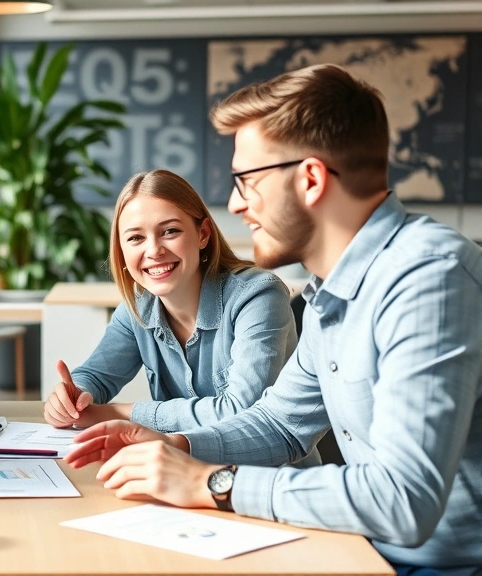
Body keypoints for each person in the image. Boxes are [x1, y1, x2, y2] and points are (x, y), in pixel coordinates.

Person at [65, 64, 482, 575]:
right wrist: (175, 447)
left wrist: (208, 481)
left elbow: (402, 500)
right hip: (363, 550)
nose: (236, 204)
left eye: (246, 181)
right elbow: (280, 424)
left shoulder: (428, 277)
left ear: (310, 179)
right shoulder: (332, 291)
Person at [43, 169, 298, 434]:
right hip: (175, 460)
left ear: (203, 234)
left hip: (263, 462)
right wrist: (72, 398)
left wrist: (117, 413)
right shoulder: (136, 310)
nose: (154, 250)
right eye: (136, 238)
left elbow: (241, 411)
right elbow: (95, 377)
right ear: (121, 249)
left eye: (170, 231)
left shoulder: (257, 297)